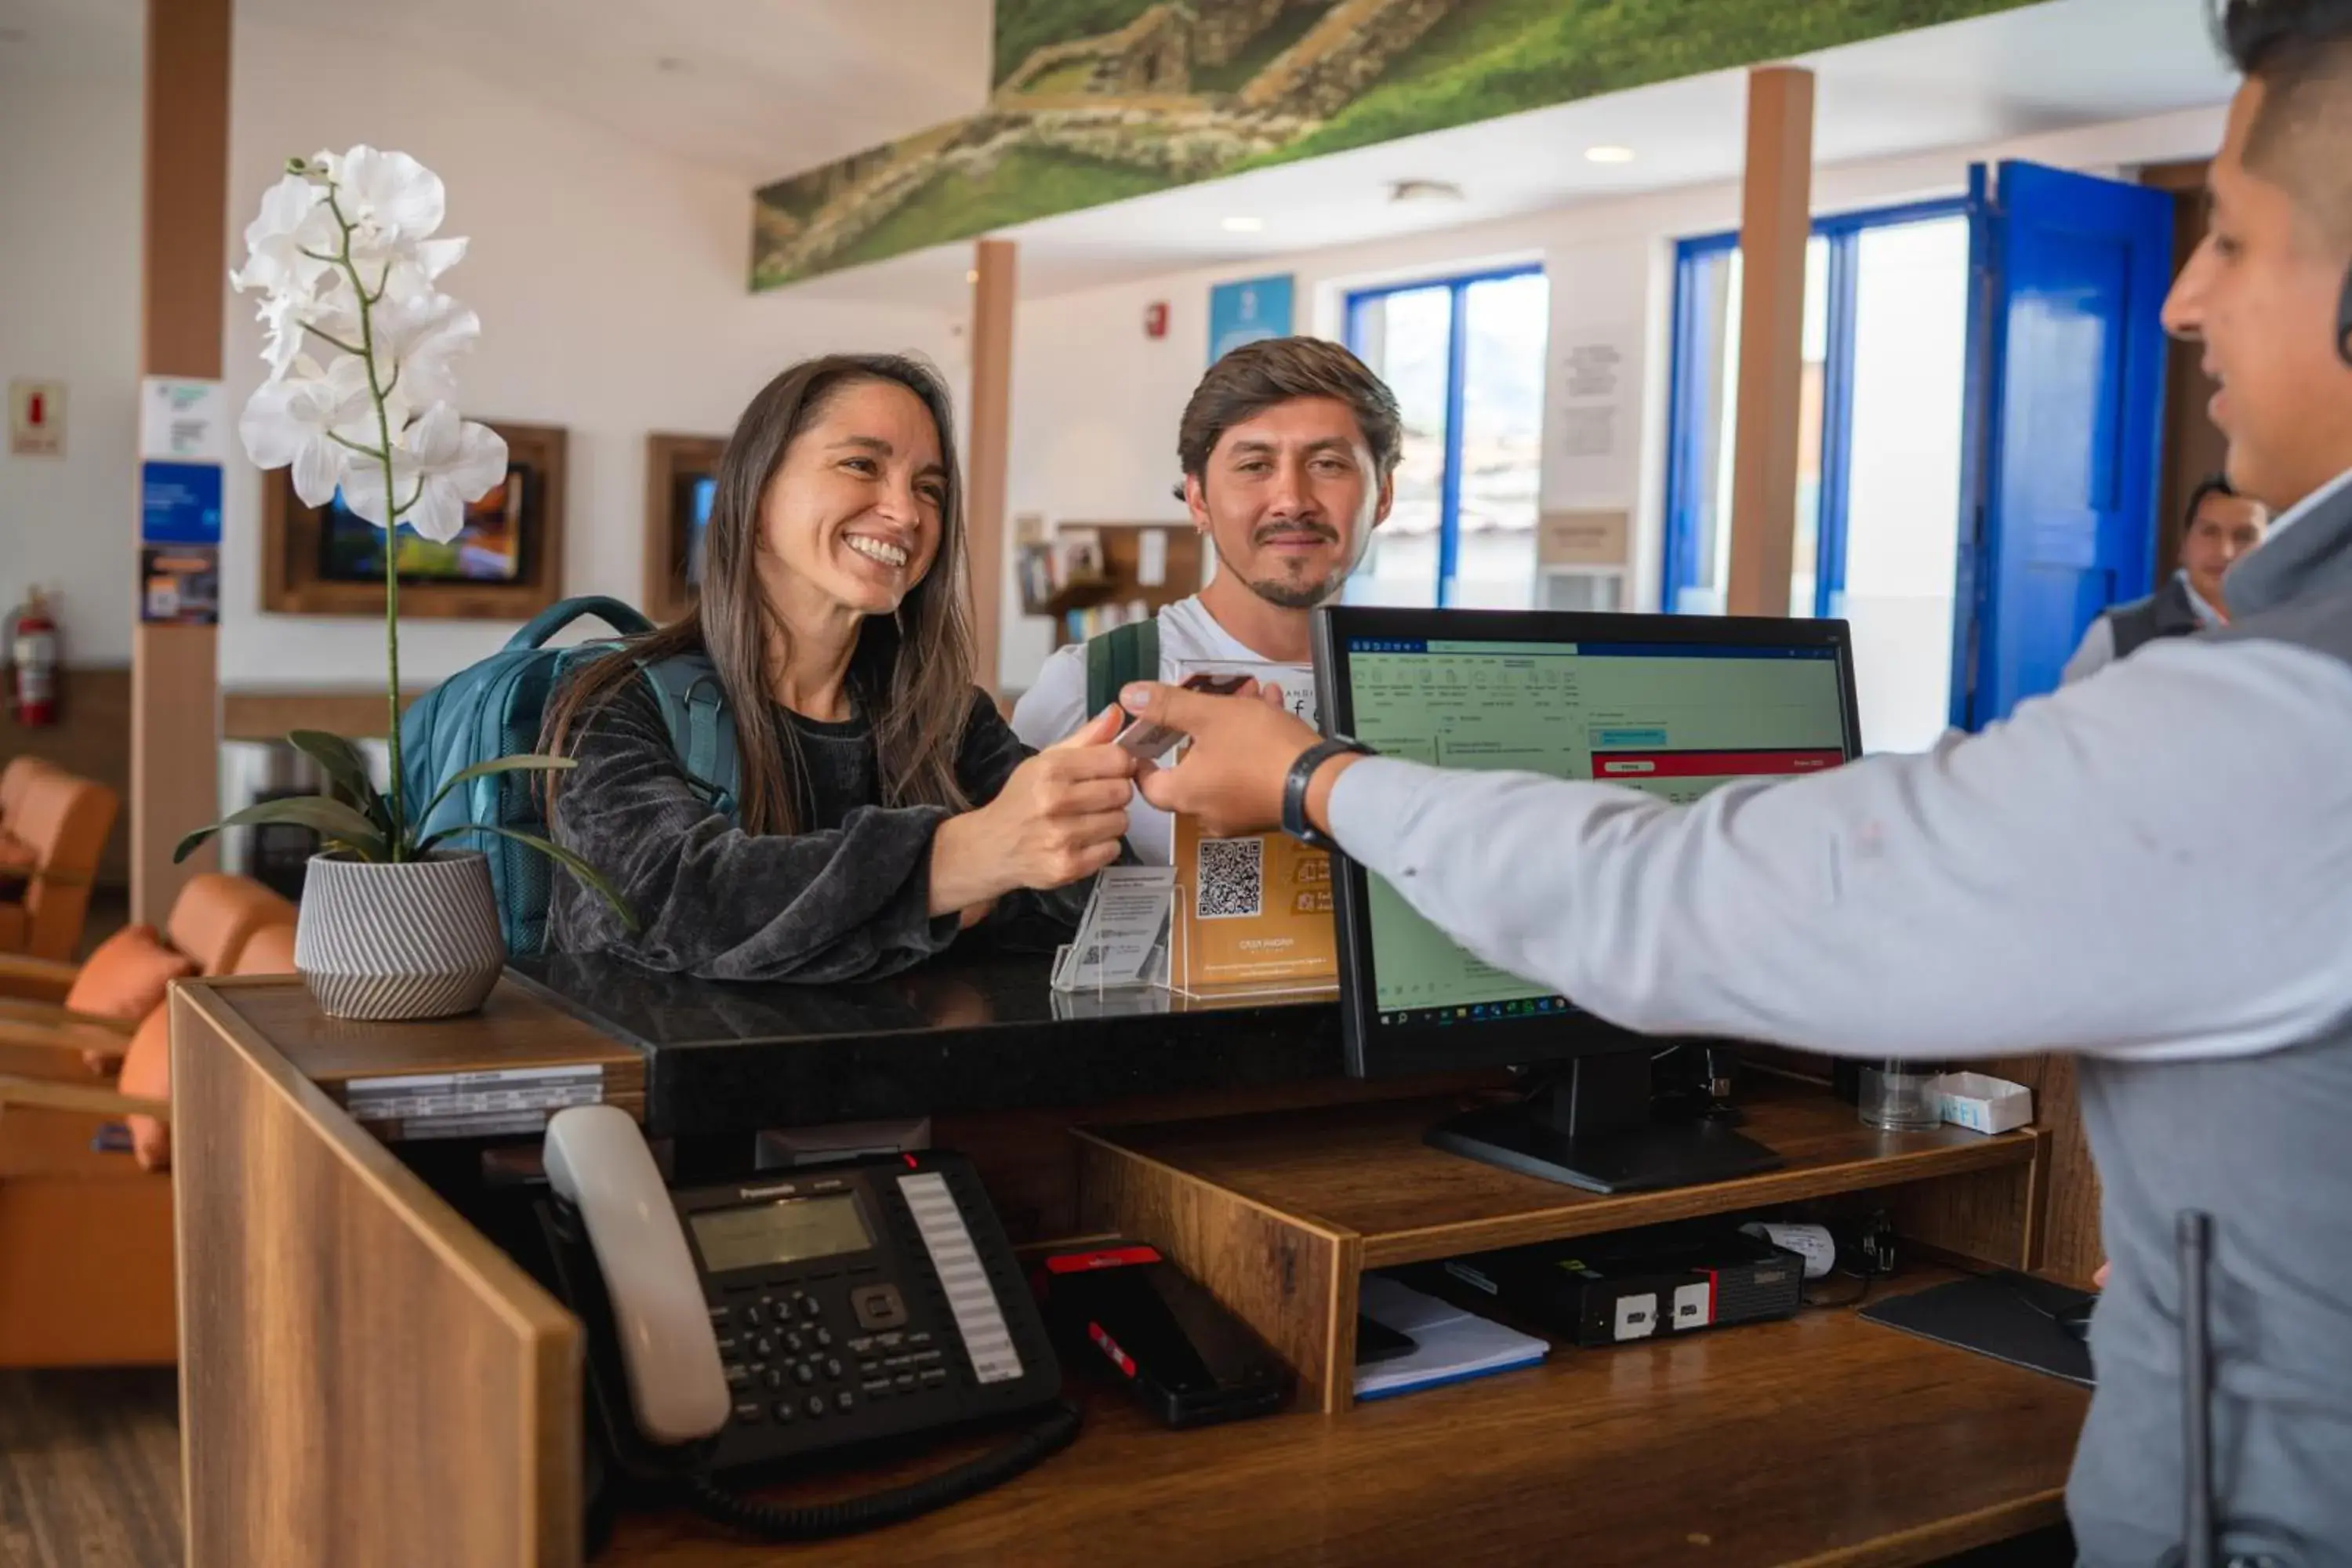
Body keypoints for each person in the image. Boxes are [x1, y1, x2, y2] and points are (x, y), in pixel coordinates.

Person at [1121, 2, 2352, 1559]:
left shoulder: (2283, 720)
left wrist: (1316, 780)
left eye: (2233, 240)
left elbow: (1677, 901)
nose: (2181, 298)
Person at [542, 354, 1135, 982]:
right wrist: (963, 863)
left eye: (928, 489)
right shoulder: (615, 702)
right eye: (861, 466)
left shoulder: (949, 720)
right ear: (759, 492)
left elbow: (1099, 904)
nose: (906, 513)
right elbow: (671, 903)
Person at [1010, 336, 1399, 861]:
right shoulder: (1091, 687)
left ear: (1384, 496)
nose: (1292, 500)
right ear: (1198, 500)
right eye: (1254, 465)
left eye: (1328, 463)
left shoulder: (1421, 691)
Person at [2061, 474, 2271, 682]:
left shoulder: (2289, 635)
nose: (2225, 552)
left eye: (2245, 536)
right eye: (2210, 532)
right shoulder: (2116, 635)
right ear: (2184, 546)